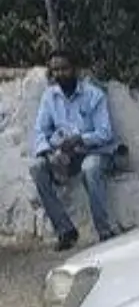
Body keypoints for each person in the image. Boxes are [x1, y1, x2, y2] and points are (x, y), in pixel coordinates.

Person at [31, 48, 120, 251]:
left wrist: (80, 139)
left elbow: (106, 133)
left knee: (90, 168)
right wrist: (48, 152)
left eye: (64, 68)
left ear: (75, 69)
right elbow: (39, 132)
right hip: (65, 157)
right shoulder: (49, 97)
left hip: (96, 152)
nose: (59, 74)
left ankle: (104, 232)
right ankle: (65, 231)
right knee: (37, 167)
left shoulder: (93, 95)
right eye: (55, 70)